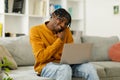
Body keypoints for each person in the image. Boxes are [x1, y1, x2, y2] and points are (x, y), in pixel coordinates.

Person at [29, 8, 99, 80]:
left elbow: (70, 52)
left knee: (89, 67)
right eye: (61, 20)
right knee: (64, 69)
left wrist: (76, 57)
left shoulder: (66, 31)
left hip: (66, 64)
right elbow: (40, 57)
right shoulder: (35, 30)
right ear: (53, 15)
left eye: (66, 24)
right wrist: (60, 40)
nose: (63, 25)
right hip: (46, 66)